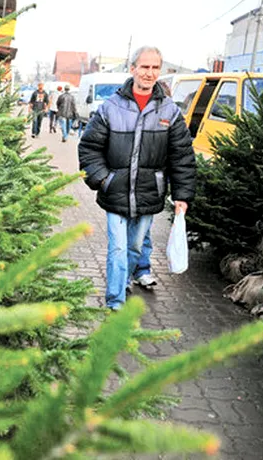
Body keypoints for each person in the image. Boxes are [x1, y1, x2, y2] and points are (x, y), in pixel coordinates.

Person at [78, 46, 195, 310]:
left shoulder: (170, 112)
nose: (149, 73)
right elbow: (89, 148)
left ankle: (128, 278)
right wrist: (103, 179)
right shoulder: (110, 107)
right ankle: (115, 300)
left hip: (148, 192)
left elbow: (182, 156)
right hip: (115, 191)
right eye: (144, 67)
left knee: (133, 247)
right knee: (118, 249)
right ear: (133, 69)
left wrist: (182, 195)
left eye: (155, 67)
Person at [132, 79, 174, 289]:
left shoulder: (170, 122)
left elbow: (177, 156)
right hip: (127, 189)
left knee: (144, 233)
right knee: (132, 235)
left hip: (152, 189)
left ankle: (142, 270)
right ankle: (124, 275)